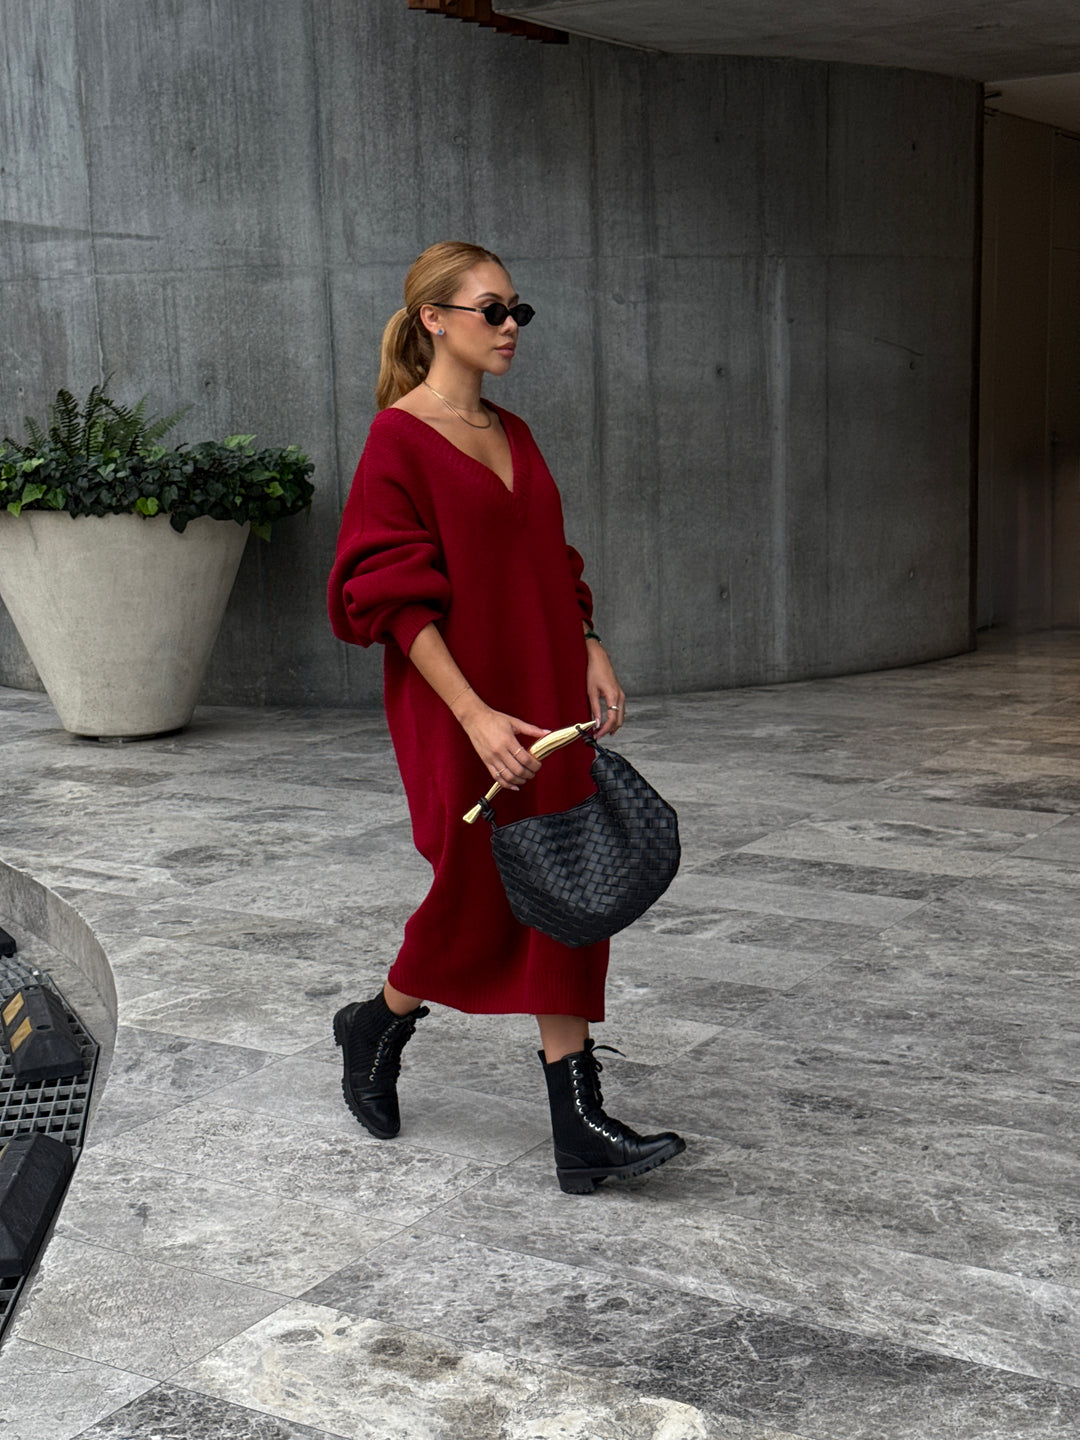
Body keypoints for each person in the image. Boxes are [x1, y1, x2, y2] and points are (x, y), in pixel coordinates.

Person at [327, 241, 685, 1194]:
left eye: (519, 310)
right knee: (474, 886)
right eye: (492, 310)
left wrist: (588, 641)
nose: (512, 326)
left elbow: (547, 559)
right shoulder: (397, 440)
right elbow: (391, 600)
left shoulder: (515, 432)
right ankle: (379, 1021)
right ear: (434, 319)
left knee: (568, 881)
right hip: (458, 705)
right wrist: (476, 714)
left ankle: (579, 1129)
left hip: (542, 689)